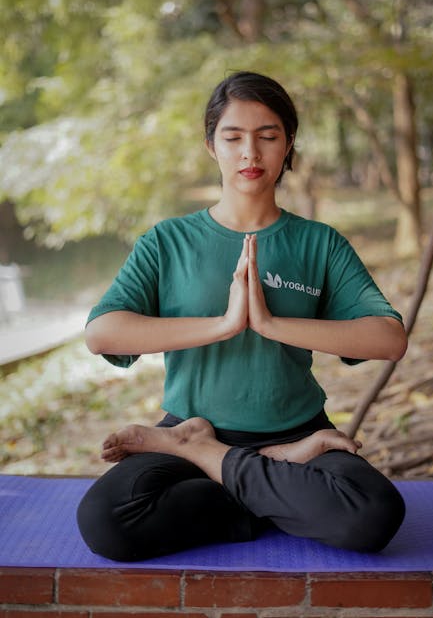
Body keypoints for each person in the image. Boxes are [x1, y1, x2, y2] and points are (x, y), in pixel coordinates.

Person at [77, 71, 408, 562]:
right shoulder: (167, 242)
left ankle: (214, 457)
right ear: (211, 145)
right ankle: (266, 482)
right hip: (188, 422)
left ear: (288, 144)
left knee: (373, 514)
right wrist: (224, 325)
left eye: (268, 137)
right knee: (107, 521)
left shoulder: (319, 243)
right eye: (233, 138)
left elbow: (389, 339)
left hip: (299, 432)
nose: (250, 154)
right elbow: (102, 333)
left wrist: (269, 324)